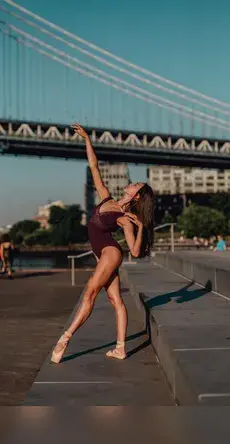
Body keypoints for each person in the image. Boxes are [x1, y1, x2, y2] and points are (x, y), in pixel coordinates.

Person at [51, 123, 155, 364]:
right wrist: (87, 139)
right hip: (102, 254)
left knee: (90, 292)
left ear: (136, 196)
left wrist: (141, 227)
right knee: (115, 300)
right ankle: (120, 348)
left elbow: (137, 252)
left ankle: (65, 337)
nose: (132, 183)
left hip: (110, 253)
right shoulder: (106, 197)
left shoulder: (126, 220)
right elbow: (94, 166)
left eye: (136, 185)